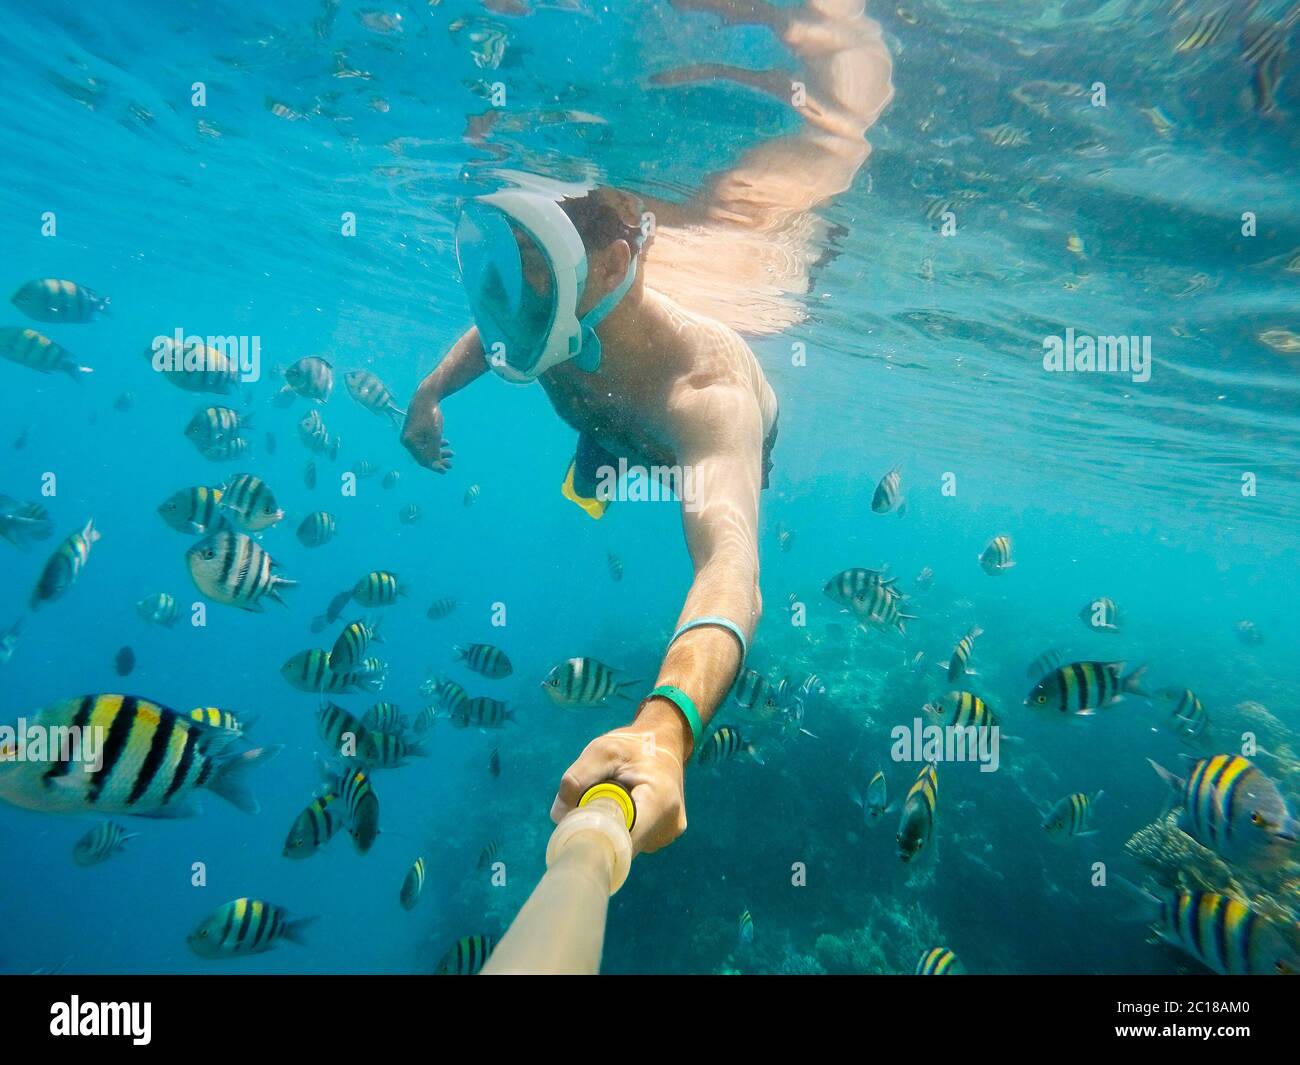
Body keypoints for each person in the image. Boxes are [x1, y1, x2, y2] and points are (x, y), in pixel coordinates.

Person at [402, 0, 893, 855]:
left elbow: (730, 570)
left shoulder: (705, 394)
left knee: (715, 489)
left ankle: (607, 449)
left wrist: (666, 728)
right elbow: (502, 325)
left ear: (621, 255)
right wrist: (427, 393)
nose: (523, 287)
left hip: (680, 437)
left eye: (541, 263)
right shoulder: (546, 309)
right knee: (594, 431)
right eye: (514, 257)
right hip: (612, 423)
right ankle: (596, 450)